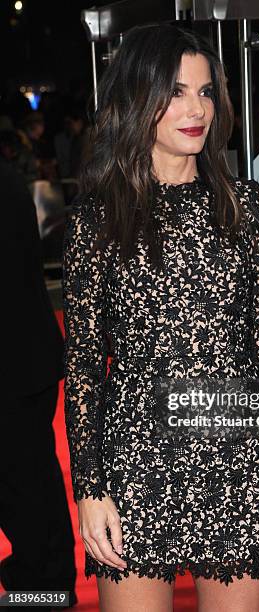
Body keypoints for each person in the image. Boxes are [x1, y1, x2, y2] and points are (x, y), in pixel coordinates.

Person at [62, 24, 259, 612]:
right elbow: (81, 368)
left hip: (236, 456)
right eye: (176, 92)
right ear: (138, 98)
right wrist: (90, 490)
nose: (196, 108)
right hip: (134, 460)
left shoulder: (243, 204)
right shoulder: (98, 218)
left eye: (205, 92)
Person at [0, 158, 77, 608]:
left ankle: (43, 592)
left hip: (15, 367)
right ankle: (43, 588)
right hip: (24, 361)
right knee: (31, 485)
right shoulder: (8, 179)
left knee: (26, 490)